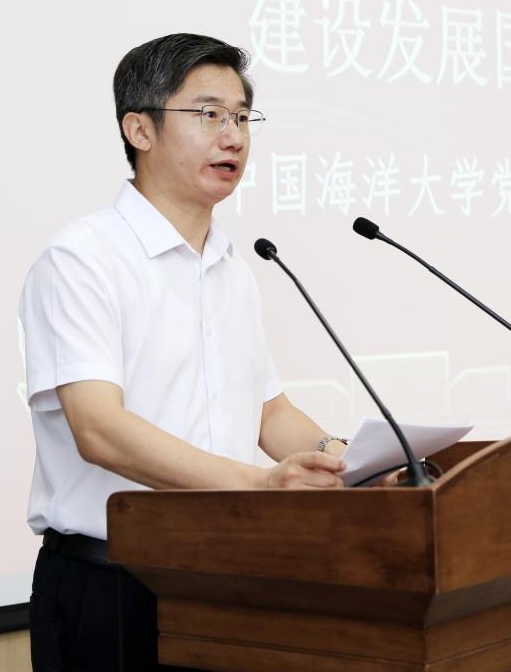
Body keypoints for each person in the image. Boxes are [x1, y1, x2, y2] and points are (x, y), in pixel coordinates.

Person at [19, 33, 349, 671]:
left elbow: (270, 414)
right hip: (112, 586)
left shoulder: (230, 266)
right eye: (208, 114)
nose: (233, 137)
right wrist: (260, 485)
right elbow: (99, 430)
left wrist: (356, 466)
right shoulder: (82, 259)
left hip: (224, 578)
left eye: (241, 118)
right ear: (139, 129)